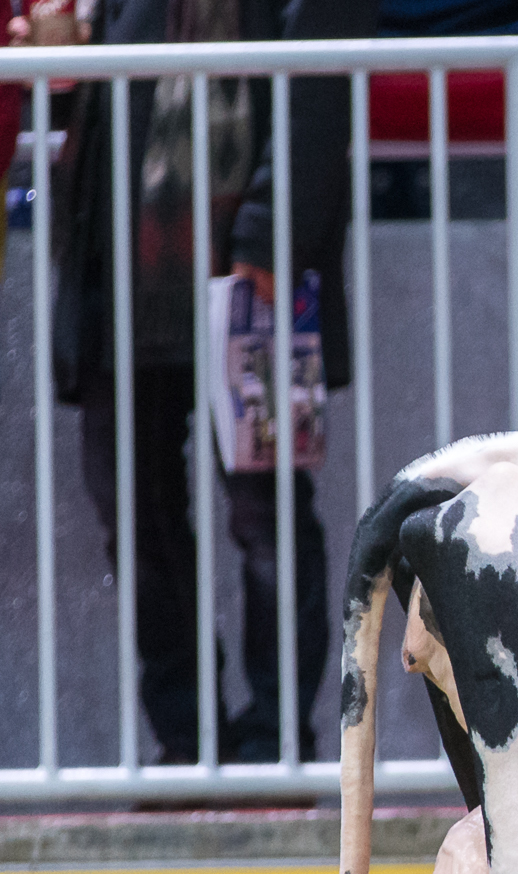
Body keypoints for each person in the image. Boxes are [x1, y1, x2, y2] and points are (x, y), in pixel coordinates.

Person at [45, 0, 373, 769]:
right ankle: (186, 739)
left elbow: (320, 76)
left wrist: (271, 232)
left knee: (266, 504)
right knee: (131, 497)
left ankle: (273, 743)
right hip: (125, 258)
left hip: (250, 254)